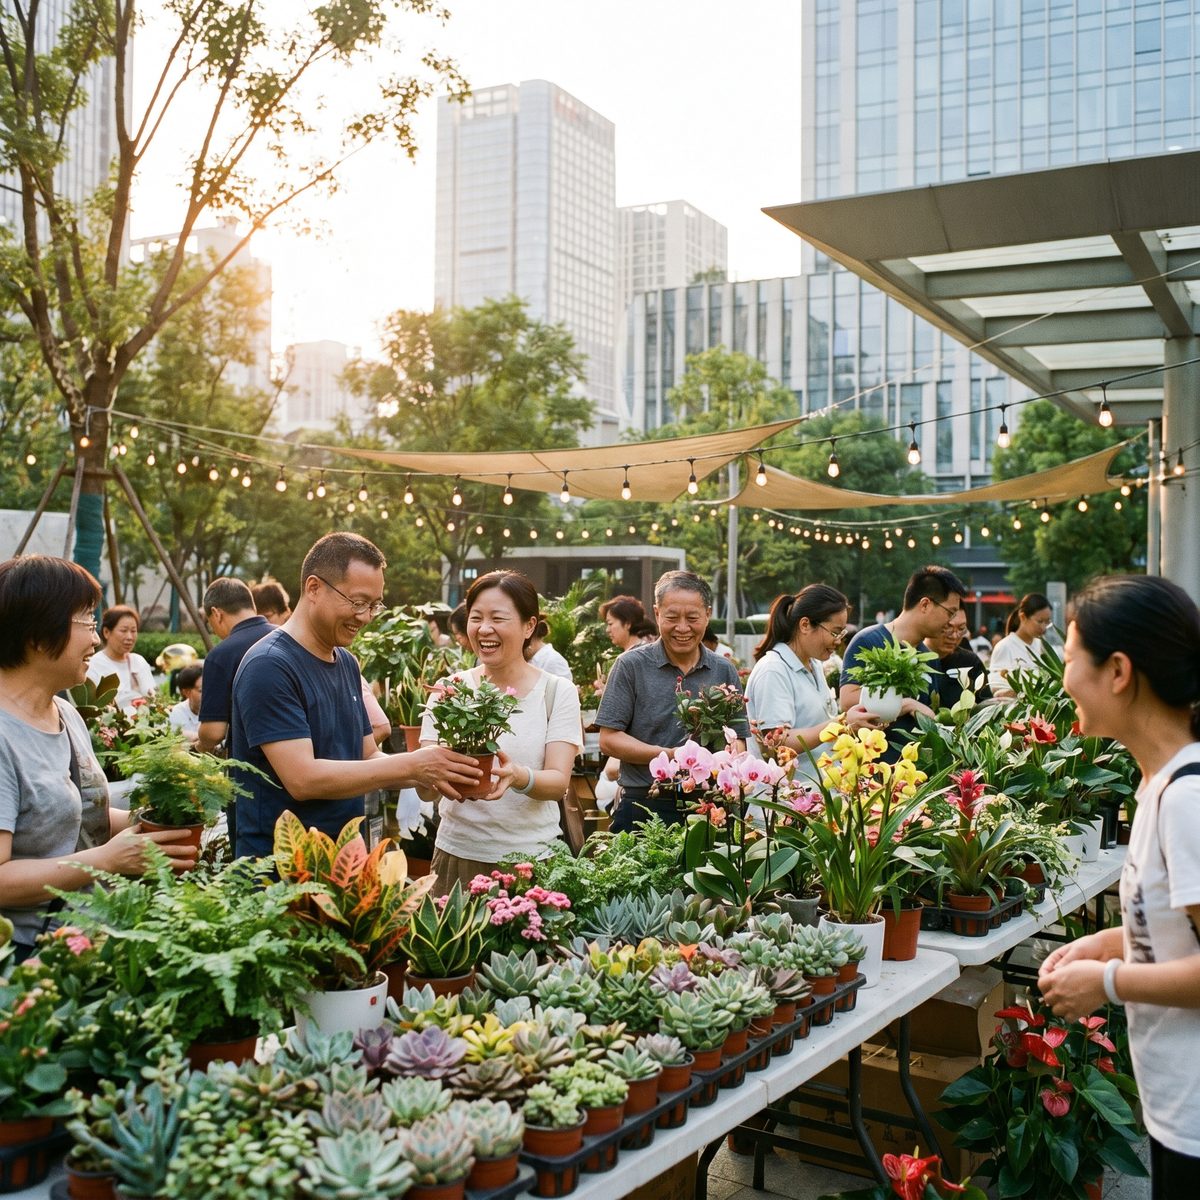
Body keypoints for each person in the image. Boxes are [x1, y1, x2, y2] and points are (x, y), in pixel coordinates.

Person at [1038, 575, 1200, 1199]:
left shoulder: (1186, 799)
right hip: (1177, 1108)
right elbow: (1180, 928)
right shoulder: (1160, 785)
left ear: (1119, 671)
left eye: (1073, 659)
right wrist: (1109, 942)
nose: (1064, 680)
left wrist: (1106, 983)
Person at [229, 532, 483, 858]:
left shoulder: (346, 662)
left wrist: (429, 775)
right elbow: (302, 778)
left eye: (374, 605)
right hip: (280, 871)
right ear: (313, 588)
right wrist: (411, 766)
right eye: (358, 602)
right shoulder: (269, 665)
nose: (364, 617)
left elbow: (368, 756)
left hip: (345, 863)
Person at [0, 557, 196, 957]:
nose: (94, 640)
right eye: (87, 623)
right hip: (31, 957)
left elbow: (87, 816)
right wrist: (106, 860)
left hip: (92, 936)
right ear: (38, 636)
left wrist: (162, 819)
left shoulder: (66, 713)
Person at [420, 570, 582, 894]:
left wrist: (518, 776)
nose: (484, 629)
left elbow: (557, 782)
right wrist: (428, 776)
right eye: (476, 617)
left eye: (498, 618)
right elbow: (425, 790)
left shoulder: (556, 691)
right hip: (458, 856)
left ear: (529, 626)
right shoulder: (449, 691)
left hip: (531, 862)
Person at [597, 570, 749, 831]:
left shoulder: (723, 670)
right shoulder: (631, 666)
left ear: (708, 615)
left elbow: (739, 743)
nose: (682, 628)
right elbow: (609, 739)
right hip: (644, 801)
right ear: (657, 614)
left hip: (708, 804)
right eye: (671, 617)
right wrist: (670, 757)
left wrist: (723, 764)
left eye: (692, 618)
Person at [745, 586, 880, 784]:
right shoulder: (773, 670)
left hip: (816, 797)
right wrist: (842, 724)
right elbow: (779, 742)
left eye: (842, 633)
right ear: (805, 625)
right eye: (835, 632)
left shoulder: (814, 665)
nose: (838, 642)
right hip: (784, 802)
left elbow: (818, 729)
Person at [839, 565, 967, 759]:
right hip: (874, 773)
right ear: (925, 604)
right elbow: (848, 700)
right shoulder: (870, 642)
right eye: (949, 612)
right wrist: (906, 704)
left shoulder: (929, 658)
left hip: (916, 776)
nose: (951, 622)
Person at [196, 578, 273, 755]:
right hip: (302, 762)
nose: (214, 630)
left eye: (210, 623)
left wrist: (199, 745)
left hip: (251, 768)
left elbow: (214, 732)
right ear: (252, 606)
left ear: (216, 613)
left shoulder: (221, 655)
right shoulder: (288, 637)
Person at [86, 605, 155, 710]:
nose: (129, 637)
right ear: (106, 632)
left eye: (133, 631)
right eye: (124, 630)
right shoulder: (94, 665)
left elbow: (153, 697)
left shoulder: (139, 661)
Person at [924, 608, 992, 712]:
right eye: (948, 627)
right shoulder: (912, 659)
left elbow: (986, 705)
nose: (954, 635)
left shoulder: (970, 662)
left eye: (961, 628)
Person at [988, 592, 1054, 697]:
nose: (1044, 627)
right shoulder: (1004, 647)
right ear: (1023, 617)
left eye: (1047, 622)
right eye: (1040, 621)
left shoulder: (1041, 645)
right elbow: (995, 687)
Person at [168, 663, 204, 744]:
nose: (207, 694)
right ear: (186, 692)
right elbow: (177, 739)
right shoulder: (176, 712)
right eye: (201, 691)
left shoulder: (215, 710)